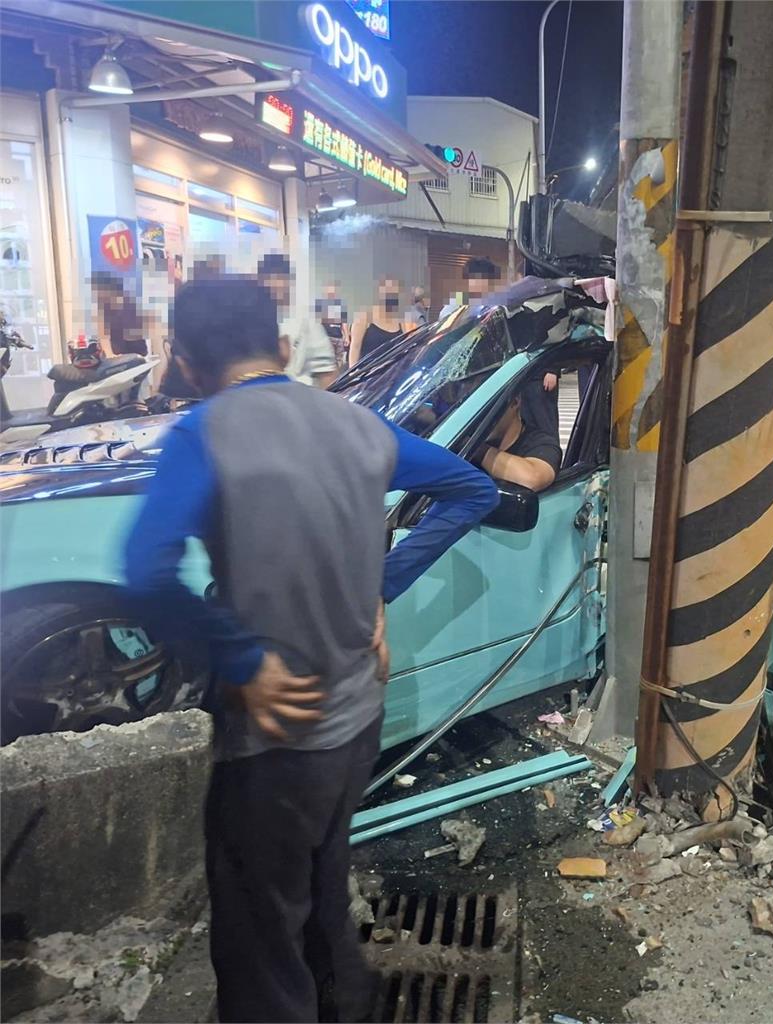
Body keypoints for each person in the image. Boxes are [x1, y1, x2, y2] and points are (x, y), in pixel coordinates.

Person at [123, 276, 497, 1024]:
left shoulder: (204, 433)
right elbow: (473, 490)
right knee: (323, 884)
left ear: (186, 362)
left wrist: (243, 662)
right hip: (358, 719)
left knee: (260, 939)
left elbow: (146, 570)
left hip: (275, 739)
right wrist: (378, 587)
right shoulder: (358, 423)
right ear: (285, 346)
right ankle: (343, 1004)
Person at [257, 254, 337, 387]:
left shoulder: (305, 318)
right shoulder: (253, 318)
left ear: (289, 281)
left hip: (298, 393)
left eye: (279, 278)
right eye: (268, 279)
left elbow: (326, 371)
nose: (274, 284)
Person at [475, 379, 562, 492]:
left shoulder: (541, 443)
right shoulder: (468, 447)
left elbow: (533, 478)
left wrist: (477, 450)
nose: (480, 419)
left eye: (488, 408)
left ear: (515, 402)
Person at [348, 278, 408, 365]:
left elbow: (405, 344)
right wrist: (352, 371)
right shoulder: (364, 315)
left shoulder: (400, 318)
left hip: (395, 370)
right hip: (370, 371)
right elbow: (355, 348)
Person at [90, 273, 148, 357]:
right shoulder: (103, 310)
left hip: (136, 353)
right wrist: (110, 354)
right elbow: (103, 336)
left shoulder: (131, 305)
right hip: (117, 354)